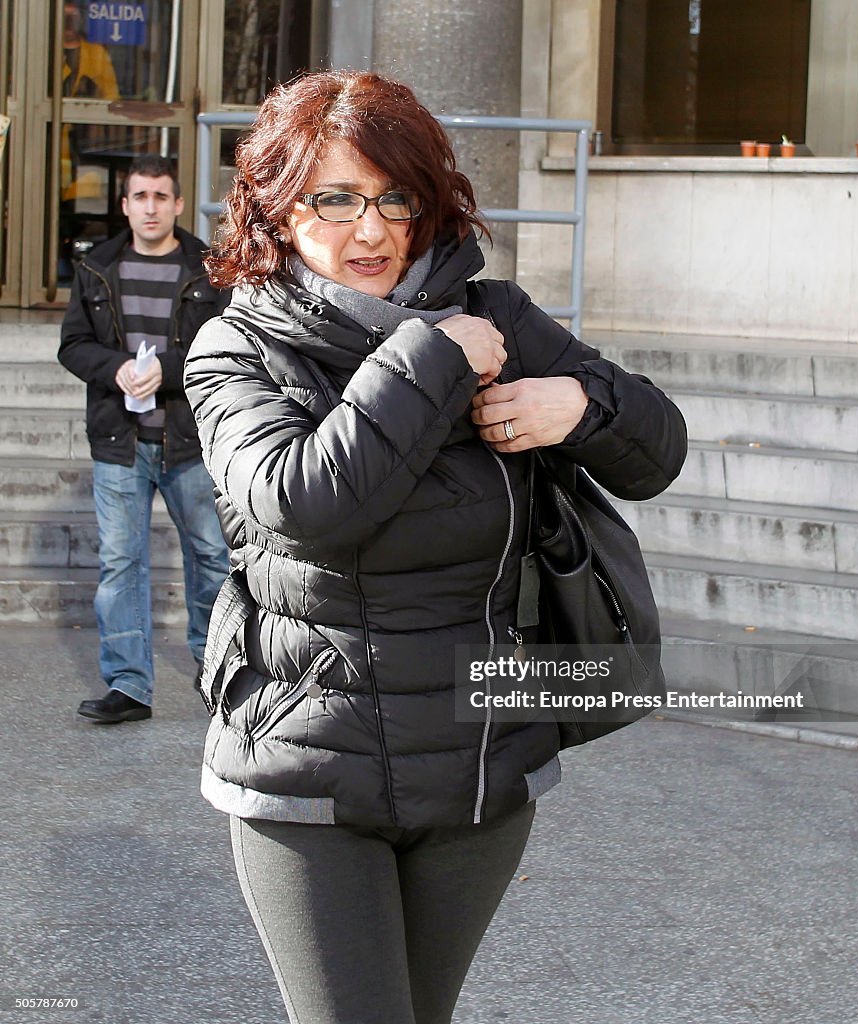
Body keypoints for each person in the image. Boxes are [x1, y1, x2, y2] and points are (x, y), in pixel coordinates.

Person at [184, 71, 687, 1023]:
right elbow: (305, 501)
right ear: (278, 209)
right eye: (333, 198)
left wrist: (581, 408)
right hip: (305, 776)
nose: (369, 230)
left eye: (394, 197)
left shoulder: (496, 313)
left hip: (476, 768)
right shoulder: (235, 348)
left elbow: (657, 450)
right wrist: (432, 354)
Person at [59, 154, 229, 724]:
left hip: (189, 441)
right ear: (125, 204)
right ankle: (129, 686)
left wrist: (172, 368)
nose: (151, 207)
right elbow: (73, 344)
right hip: (119, 440)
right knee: (120, 562)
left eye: (161, 197)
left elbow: (233, 343)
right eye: (140, 197)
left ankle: (218, 675)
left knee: (210, 557)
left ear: (178, 204)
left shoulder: (210, 269)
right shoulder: (97, 267)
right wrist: (116, 369)